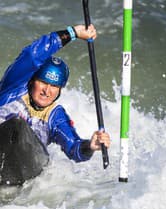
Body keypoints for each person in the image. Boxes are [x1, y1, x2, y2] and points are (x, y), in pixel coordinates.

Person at [0, 24, 110, 166]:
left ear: (60, 89)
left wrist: (90, 146)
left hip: (24, 167)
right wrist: (72, 33)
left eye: (54, 86)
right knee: (17, 125)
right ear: (32, 80)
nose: (47, 91)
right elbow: (32, 56)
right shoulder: (12, 88)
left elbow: (74, 149)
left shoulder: (56, 116)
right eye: (43, 82)